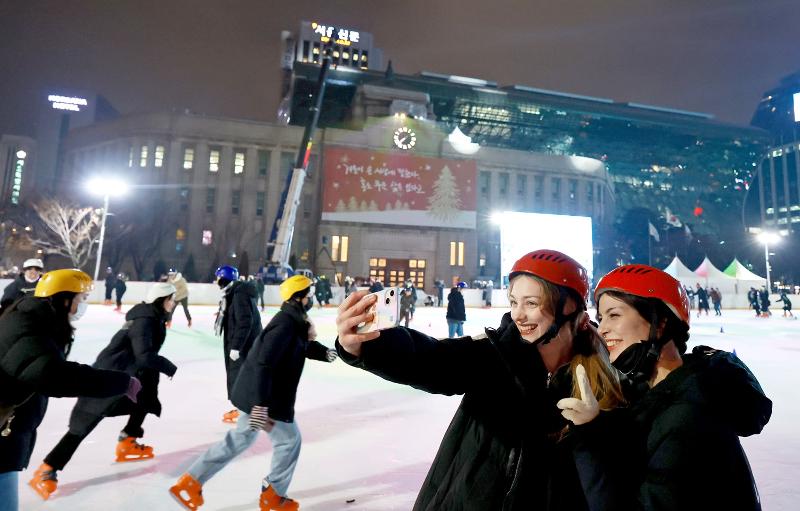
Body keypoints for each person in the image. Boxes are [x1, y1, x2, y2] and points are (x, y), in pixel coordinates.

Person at [335, 250, 626, 510]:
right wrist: (367, 347)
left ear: (568, 306)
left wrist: (595, 428)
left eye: (531, 303)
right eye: (513, 301)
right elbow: (433, 360)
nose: (518, 315)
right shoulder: (495, 355)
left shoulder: (603, 371)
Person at [591, 264, 772, 510]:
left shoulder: (689, 412)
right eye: (601, 318)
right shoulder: (657, 391)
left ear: (661, 323)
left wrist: (585, 445)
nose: (602, 329)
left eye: (614, 315)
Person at [170, 275, 338, 511]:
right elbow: (263, 363)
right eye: (308, 295)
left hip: (260, 396)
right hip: (263, 398)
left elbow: (299, 345)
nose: (310, 299)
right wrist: (260, 405)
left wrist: (324, 353)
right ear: (297, 298)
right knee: (289, 441)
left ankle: (191, 482)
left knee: (240, 440)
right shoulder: (286, 324)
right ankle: (272, 495)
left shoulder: (293, 320)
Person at [0, 269, 139, 508]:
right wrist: (121, 382)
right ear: (63, 299)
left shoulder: (31, 318)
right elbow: (54, 375)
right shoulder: (29, 326)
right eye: (80, 299)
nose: (82, 305)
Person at [29, 283, 179, 500]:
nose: (173, 303)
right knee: (86, 421)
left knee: (144, 401)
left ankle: (128, 441)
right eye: (170, 299)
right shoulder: (145, 321)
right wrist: (168, 366)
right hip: (111, 374)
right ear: (160, 300)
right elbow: (144, 355)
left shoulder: (151, 317)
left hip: (128, 373)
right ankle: (47, 468)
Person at [214, 265, 262, 425]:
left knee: (240, 379)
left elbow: (245, 322)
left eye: (218, 279)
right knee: (239, 378)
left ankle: (247, 412)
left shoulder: (239, 295)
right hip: (244, 344)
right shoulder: (234, 294)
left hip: (244, 346)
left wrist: (236, 347)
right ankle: (244, 409)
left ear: (224, 279)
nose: (216, 282)